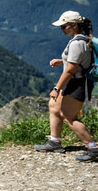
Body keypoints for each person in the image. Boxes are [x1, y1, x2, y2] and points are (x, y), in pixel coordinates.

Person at [33, 11, 96, 161]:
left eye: (64, 26)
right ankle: (54, 141)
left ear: (74, 26)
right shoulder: (82, 40)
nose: (62, 29)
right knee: (54, 106)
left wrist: (57, 88)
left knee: (69, 117)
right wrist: (62, 60)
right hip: (76, 82)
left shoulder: (77, 43)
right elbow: (78, 61)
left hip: (77, 84)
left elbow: (71, 70)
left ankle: (93, 148)